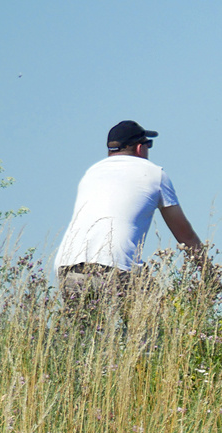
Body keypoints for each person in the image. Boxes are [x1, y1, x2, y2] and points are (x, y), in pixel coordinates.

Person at [54, 120, 207, 304]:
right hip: (116, 267)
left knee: (83, 331)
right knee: (162, 325)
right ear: (140, 148)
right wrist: (208, 273)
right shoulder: (154, 174)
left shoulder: (92, 173)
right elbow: (185, 235)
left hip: (68, 267)